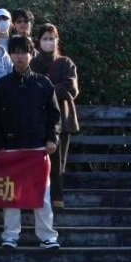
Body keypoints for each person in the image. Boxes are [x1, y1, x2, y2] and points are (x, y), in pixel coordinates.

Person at [0, 35, 61, 249]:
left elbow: (54, 115)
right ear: (10, 55)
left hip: (38, 148)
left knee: (42, 195)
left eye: (24, 52)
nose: (20, 56)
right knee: (10, 195)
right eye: (15, 52)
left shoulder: (43, 83)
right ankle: (10, 235)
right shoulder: (2, 85)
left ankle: (47, 236)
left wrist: (52, 138)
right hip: (11, 149)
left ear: (31, 54)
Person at [31, 24, 79, 209]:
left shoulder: (66, 63)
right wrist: (53, 89)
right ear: (39, 41)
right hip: (37, 118)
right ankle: (37, 196)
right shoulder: (33, 63)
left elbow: (71, 88)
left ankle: (57, 197)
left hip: (62, 117)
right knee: (37, 159)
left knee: (59, 161)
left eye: (52, 38)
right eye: (45, 38)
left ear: (57, 40)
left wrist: (47, 89)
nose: (49, 42)